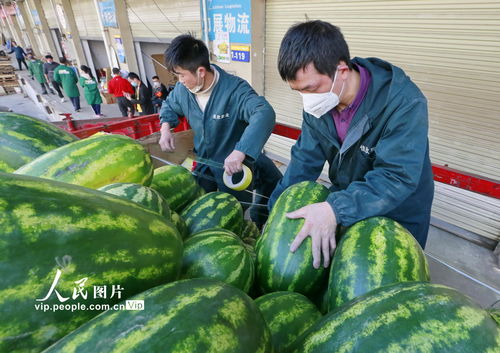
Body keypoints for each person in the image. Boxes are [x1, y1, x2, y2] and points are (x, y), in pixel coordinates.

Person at [270, 20, 434, 269]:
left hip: (399, 209)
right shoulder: (318, 105)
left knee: (386, 282)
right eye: (299, 91)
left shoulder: (404, 103)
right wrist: (275, 211)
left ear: (342, 71)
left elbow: (396, 176)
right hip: (349, 200)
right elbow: (304, 161)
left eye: (311, 88)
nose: (307, 99)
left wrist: (335, 209)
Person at [159, 34, 282, 228]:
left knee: (232, 214)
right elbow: (170, 106)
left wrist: (240, 151)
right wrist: (166, 127)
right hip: (203, 165)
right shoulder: (183, 91)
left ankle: (252, 226)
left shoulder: (235, 90)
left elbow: (263, 113)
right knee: (202, 212)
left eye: (182, 75)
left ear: (200, 72)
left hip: (233, 168)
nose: (179, 80)